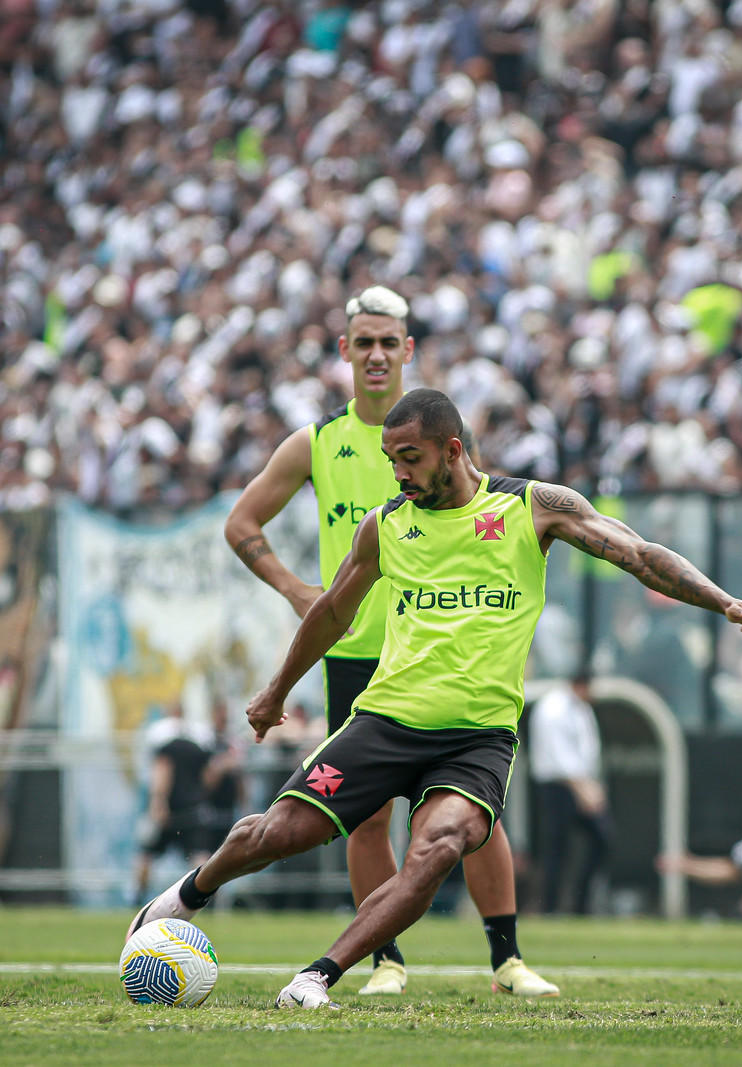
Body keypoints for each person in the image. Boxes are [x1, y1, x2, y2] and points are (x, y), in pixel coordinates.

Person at [131, 388, 742, 1009]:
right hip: (386, 720)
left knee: (440, 844)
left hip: (477, 738)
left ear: (453, 449)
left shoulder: (533, 506)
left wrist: (725, 601)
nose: (398, 472)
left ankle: (317, 976)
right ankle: (184, 896)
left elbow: (639, 553)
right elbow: (333, 612)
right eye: (391, 459)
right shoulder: (384, 526)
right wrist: (276, 691)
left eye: (409, 457)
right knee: (281, 832)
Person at [222, 287, 554, 996]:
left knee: (473, 814)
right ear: (345, 350)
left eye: (388, 341)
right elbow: (242, 523)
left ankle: (507, 958)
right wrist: (294, 589)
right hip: (354, 653)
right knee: (363, 817)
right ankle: (387, 961)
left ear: (408, 350)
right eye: (362, 341)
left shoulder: (440, 438)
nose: (375, 353)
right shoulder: (316, 442)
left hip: (446, 652)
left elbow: (487, 527)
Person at [132, 698, 241, 902]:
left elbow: (163, 770)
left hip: (169, 808)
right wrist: (200, 797)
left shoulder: (164, 740)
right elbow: (209, 775)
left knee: (146, 854)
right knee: (200, 857)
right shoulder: (198, 740)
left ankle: (137, 899)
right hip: (193, 807)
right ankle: (206, 899)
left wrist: (158, 801)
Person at [527, 671, 609, 915]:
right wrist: (582, 789)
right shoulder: (553, 707)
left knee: (602, 840)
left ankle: (579, 904)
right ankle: (548, 906)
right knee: (556, 847)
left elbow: (587, 753)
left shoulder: (582, 709)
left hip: (581, 784)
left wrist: (590, 785)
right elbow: (558, 756)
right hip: (557, 787)